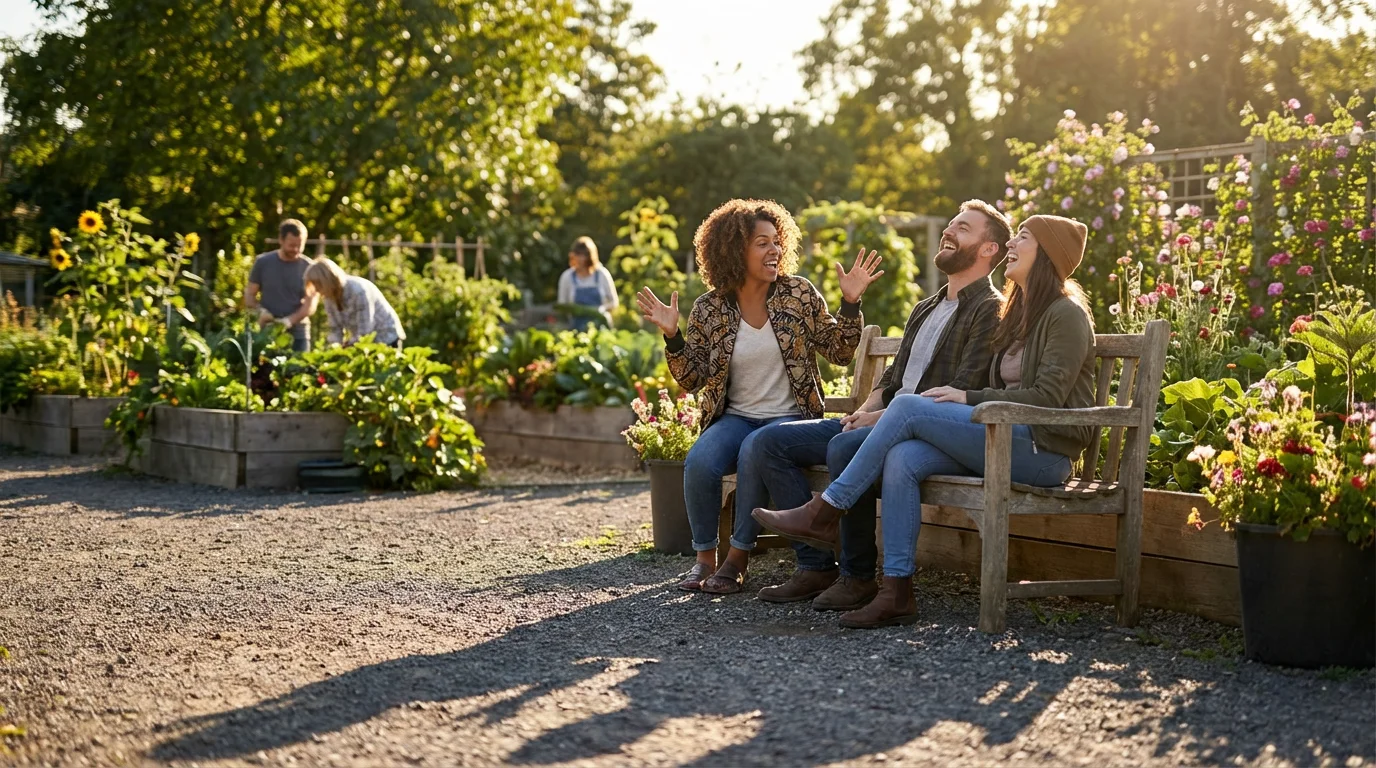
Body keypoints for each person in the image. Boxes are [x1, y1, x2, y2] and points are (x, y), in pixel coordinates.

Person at [753, 214, 1098, 629]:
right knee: (903, 458)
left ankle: (825, 511)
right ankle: (896, 592)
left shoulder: (1066, 314)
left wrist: (968, 396)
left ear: (1047, 254)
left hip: (1043, 453)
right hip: (1001, 438)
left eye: (1022, 238)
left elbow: (1047, 398)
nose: (1011, 244)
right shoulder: (1018, 312)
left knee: (908, 407)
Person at [741, 200, 1009, 611]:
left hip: (922, 430)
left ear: (989, 249)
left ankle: (858, 576)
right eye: (950, 225)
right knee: (767, 443)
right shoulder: (927, 306)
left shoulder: (989, 309)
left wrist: (878, 419)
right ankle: (815, 565)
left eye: (964, 228)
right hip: (881, 418)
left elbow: (961, 388)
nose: (949, 231)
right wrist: (863, 411)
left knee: (843, 448)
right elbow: (893, 379)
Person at [635, 198, 884, 594]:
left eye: (776, 241)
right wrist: (673, 336)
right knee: (700, 459)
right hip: (734, 417)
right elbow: (692, 378)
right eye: (762, 243)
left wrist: (850, 304)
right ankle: (704, 560)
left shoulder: (798, 294)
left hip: (791, 417)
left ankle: (737, 560)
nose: (775, 251)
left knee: (756, 447)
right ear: (735, 250)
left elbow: (838, 352)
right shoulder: (709, 308)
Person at [245, 219, 317, 352]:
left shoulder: (309, 268)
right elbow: (250, 294)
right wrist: (260, 311)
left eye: (299, 245)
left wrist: (289, 321)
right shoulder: (263, 262)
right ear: (281, 240)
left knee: (299, 371)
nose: (295, 249)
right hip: (267, 331)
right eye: (291, 245)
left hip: (298, 334)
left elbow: (310, 304)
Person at [303, 257, 406, 348]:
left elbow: (365, 330)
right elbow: (335, 329)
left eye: (318, 284)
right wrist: (334, 349)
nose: (316, 289)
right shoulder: (328, 298)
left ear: (327, 280)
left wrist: (349, 345)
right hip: (364, 342)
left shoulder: (358, 291)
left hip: (386, 336)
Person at [556, 236, 617, 331]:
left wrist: (600, 309)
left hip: (601, 326)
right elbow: (562, 305)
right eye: (578, 255)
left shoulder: (602, 274)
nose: (581, 259)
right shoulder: (567, 277)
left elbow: (614, 302)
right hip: (575, 328)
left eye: (584, 255)